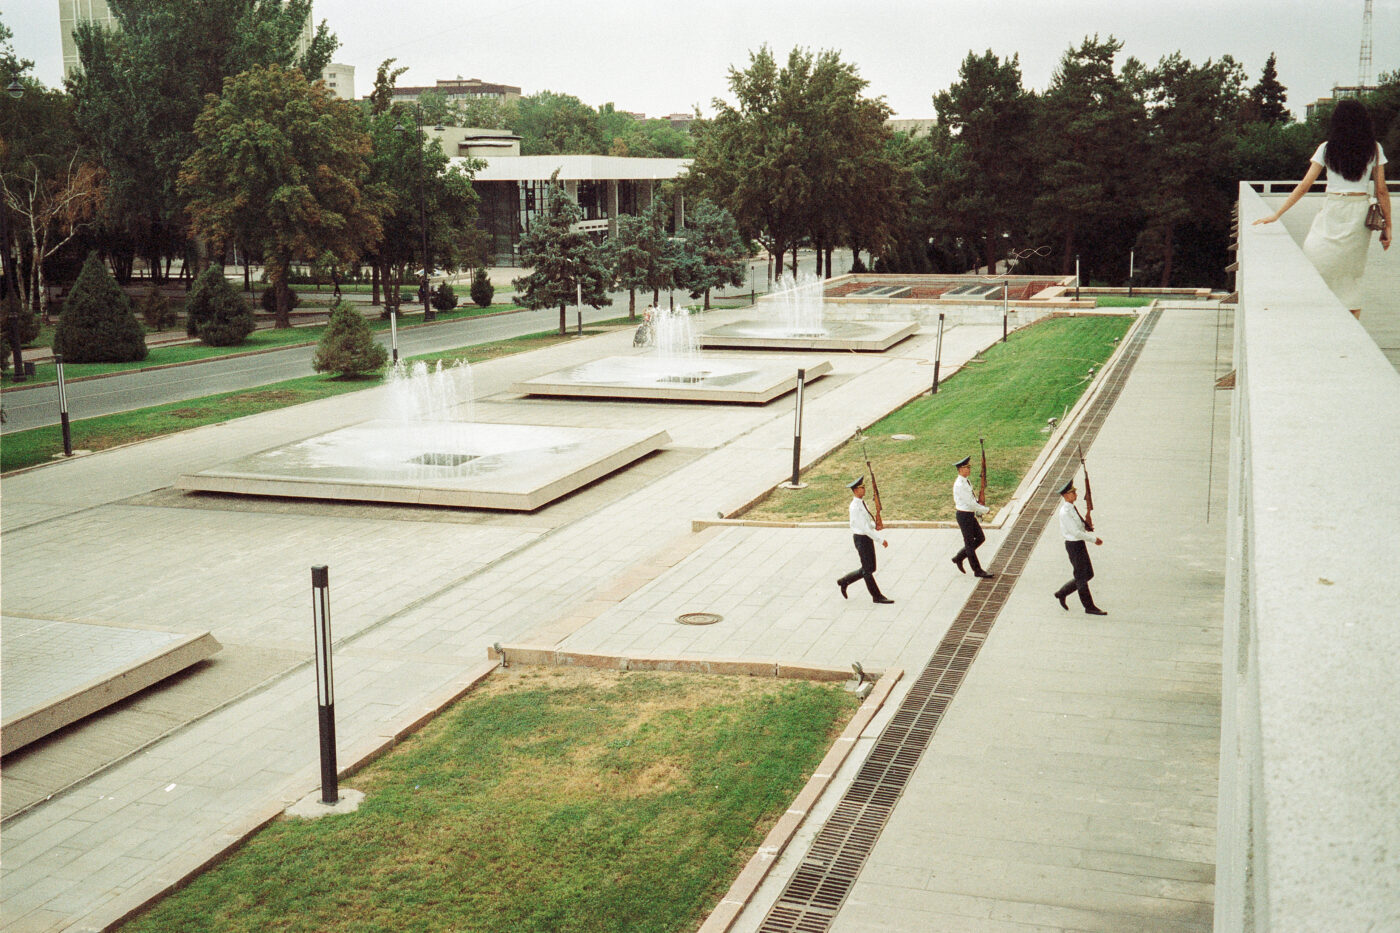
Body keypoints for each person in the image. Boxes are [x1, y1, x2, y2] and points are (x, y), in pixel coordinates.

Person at [1252, 98, 1392, 318]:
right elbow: (1381, 190)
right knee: (1350, 276)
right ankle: (1350, 329)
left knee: (1314, 256)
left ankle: (1324, 317)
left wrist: (1277, 214)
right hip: (1359, 212)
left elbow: (1304, 185)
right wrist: (1388, 226)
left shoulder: (1327, 148)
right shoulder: (1374, 148)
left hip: (1332, 208)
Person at [1053, 479, 1107, 616]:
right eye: (1073, 493)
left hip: (1079, 544)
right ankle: (1089, 606)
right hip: (1074, 545)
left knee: (1088, 574)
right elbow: (1075, 532)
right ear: (1066, 495)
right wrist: (1094, 539)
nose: (1076, 494)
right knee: (1082, 577)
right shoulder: (1065, 512)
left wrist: (1087, 526)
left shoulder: (1071, 508)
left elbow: (1078, 526)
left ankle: (1062, 593)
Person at [837, 476, 894, 604]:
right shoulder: (854, 507)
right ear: (855, 490)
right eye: (861, 488)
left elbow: (866, 522)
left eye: (864, 487)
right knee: (867, 570)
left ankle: (844, 581)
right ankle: (877, 596)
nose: (864, 489)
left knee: (870, 567)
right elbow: (864, 528)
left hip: (866, 537)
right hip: (861, 539)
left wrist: (875, 526)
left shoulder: (862, 503)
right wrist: (880, 540)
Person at [950, 455, 995, 579]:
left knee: (980, 537)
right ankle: (977, 570)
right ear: (960, 469)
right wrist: (985, 510)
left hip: (969, 514)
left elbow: (971, 499)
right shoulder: (960, 484)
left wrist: (979, 502)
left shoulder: (966, 481)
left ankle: (959, 557)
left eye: (969, 467)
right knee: (969, 544)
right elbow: (970, 503)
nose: (969, 469)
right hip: (964, 515)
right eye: (967, 467)